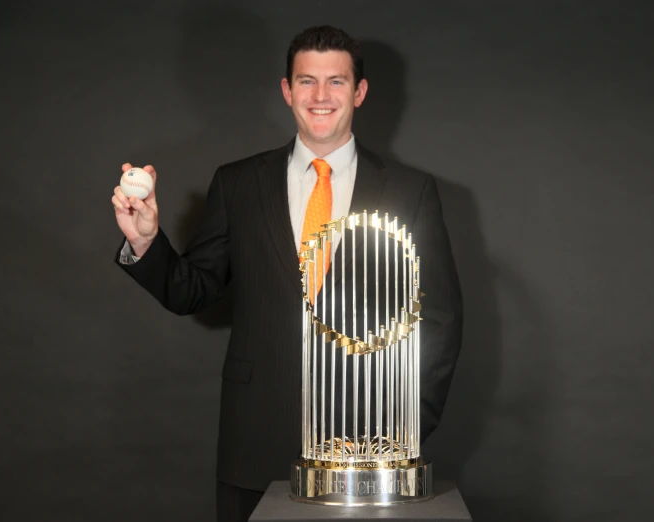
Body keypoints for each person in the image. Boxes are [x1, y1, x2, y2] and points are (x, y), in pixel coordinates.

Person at [111, 25, 463, 522]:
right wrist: (144, 239)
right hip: (255, 443)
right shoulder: (237, 183)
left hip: (366, 452)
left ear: (359, 92)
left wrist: (401, 429)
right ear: (286, 90)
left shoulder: (412, 191)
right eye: (306, 81)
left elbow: (441, 319)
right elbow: (192, 290)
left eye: (336, 82)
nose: (321, 96)